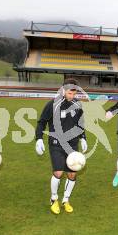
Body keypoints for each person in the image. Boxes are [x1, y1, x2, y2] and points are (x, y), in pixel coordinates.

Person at [35, 78, 88, 215]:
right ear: (63, 90)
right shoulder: (53, 104)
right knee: (58, 172)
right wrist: (39, 139)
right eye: (70, 93)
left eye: (74, 93)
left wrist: (83, 138)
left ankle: (65, 199)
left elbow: (80, 124)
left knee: (72, 173)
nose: (72, 96)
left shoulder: (77, 105)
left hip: (72, 144)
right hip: (56, 143)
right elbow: (41, 122)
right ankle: (54, 199)